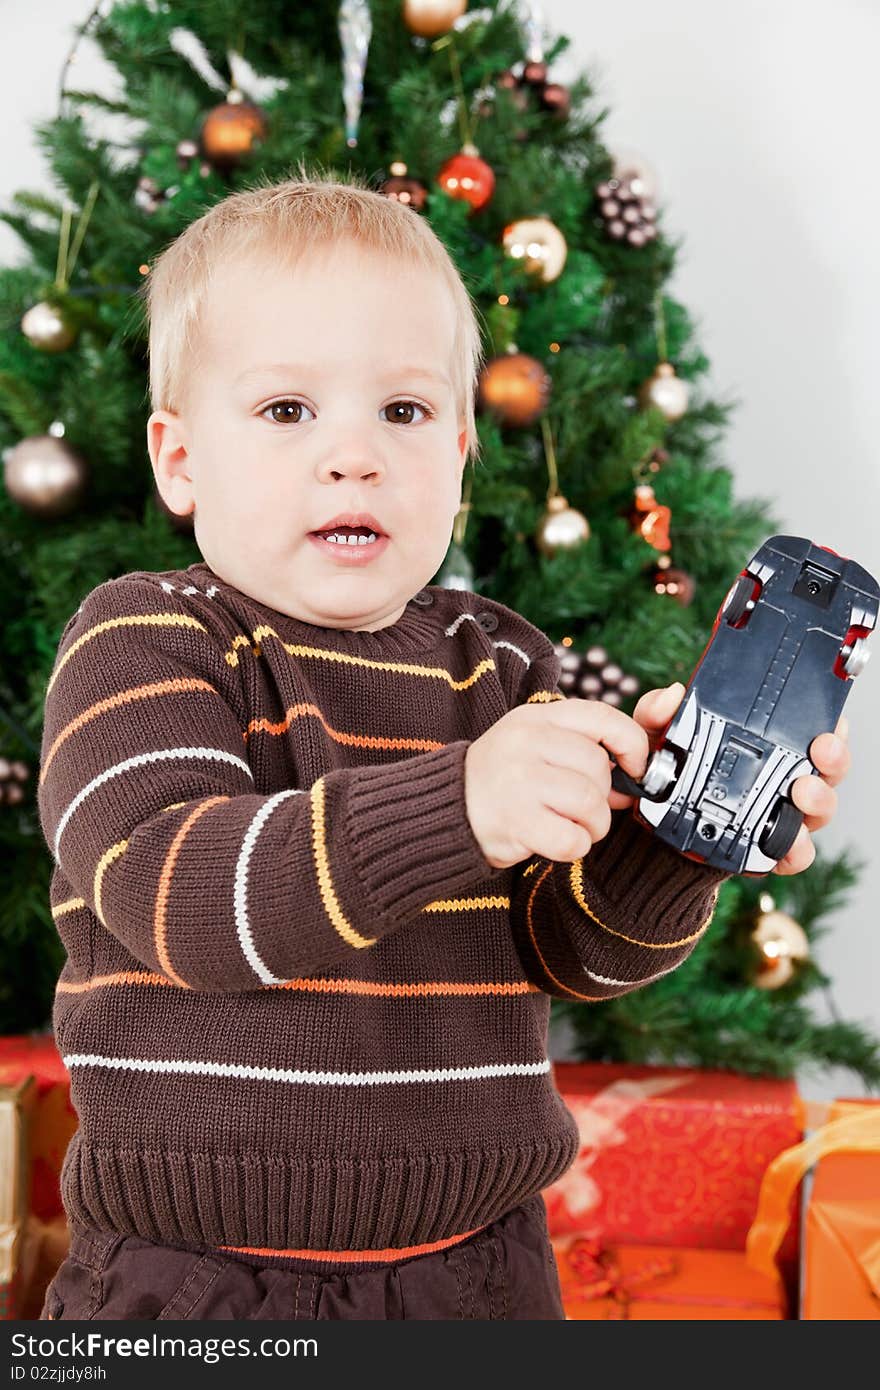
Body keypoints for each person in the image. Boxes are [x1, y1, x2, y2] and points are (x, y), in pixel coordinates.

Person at [36, 172, 849, 1321]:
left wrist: (674, 844)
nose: (353, 456)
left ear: (463, 453)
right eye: (286, 411)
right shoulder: (149, 638)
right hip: (200, 1282)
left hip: (482, 1273)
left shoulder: (502, 669)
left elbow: (574, 953)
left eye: (403, 413)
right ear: (179, 460)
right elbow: (183, 897)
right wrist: (465, 802)